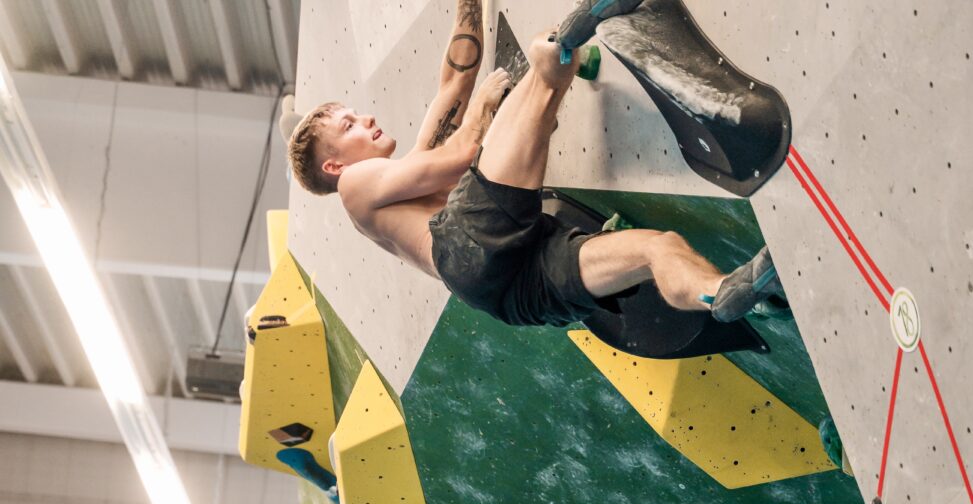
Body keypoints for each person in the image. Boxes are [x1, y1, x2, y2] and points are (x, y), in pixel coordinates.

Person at [287, 0, 783, 330]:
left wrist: (468, 7)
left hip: (504, 291)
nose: (365, 117)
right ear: (333, 166)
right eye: (349, 125)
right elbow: (460, 154)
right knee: (546, 68)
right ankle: (594, 17)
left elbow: (453, 83)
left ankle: (719, 293)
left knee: (657, 250)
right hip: (466, 245)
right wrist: (484, 111)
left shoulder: (400, 180)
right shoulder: (354, 186)